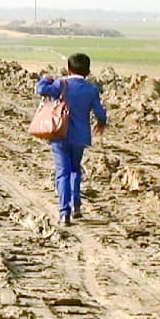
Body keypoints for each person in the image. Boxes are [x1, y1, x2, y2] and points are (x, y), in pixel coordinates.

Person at [36, 53, 107, 226]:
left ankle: (64, 212)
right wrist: (101, 123)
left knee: (62, 172)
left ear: (68, 68)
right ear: (88, 71)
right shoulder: (92, 89)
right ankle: (76, 206)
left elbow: (41, 90)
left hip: (60, 134)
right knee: (75, 169)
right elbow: (100, 112)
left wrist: (46, 79)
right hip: (80, 137)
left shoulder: (61, 84)